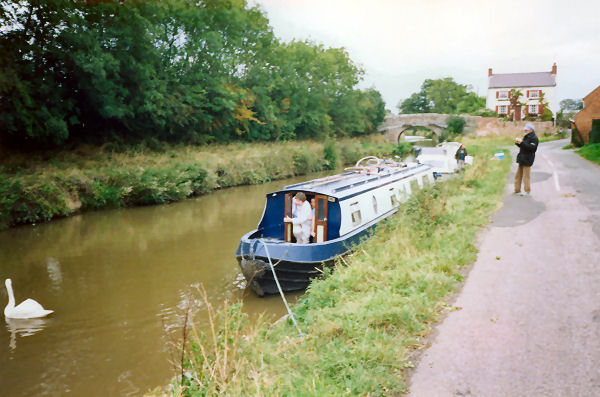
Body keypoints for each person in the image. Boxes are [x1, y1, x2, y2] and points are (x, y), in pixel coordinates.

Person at [514, 123, 539, 196]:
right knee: (518, 175)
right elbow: (524, 147)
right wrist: (518, 143)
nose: (525, 130)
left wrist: (522, 142)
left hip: (528, 159)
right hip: (522, 158)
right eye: (525, 129)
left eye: (526, 129)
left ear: (531, 130)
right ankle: (517, 190)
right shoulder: (527, 136)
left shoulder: (534, 138)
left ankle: (527, 191)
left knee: (526, 176)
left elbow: (531, 148)